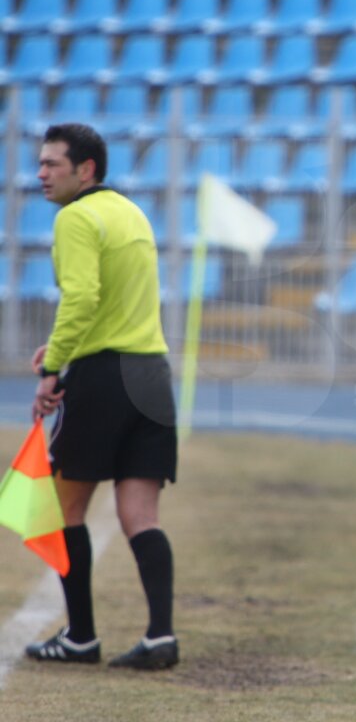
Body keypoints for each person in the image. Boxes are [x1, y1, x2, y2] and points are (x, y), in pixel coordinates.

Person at [24, 123, 180, 670]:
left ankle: (81, 637)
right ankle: (161, 635)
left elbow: (83, 297)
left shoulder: (76, 217)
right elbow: (111, 302)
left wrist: (56, 367)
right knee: (141, 515)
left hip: (102, 378)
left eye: (51, 164)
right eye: (39, 163)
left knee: (66, 508)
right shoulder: (130, 212)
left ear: (85, 169)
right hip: (151, 374)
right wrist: (67, 346)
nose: (39, 174)